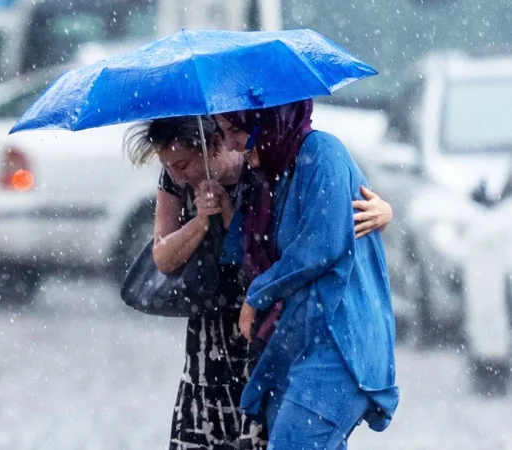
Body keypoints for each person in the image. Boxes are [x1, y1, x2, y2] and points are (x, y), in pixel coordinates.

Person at [123, 114, 393, 450]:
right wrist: (201, 222)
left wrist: (384, 212)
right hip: (216, 327)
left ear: (214, 145)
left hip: (268, 326)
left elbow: (319, 230)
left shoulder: (266, 160)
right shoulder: (180, 179)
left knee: (272, 437)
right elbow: (163, 258)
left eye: (183, 164)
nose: (178, 175)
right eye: (170, 166)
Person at [226, 100, 399, 449]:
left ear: (268, 122)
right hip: (299, 344)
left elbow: (319, 247)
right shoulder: (275, 174)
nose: (230, 145)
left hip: (340, 345)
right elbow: (237, 250)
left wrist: (257, 295)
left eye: (236, 132)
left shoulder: (322, 153)